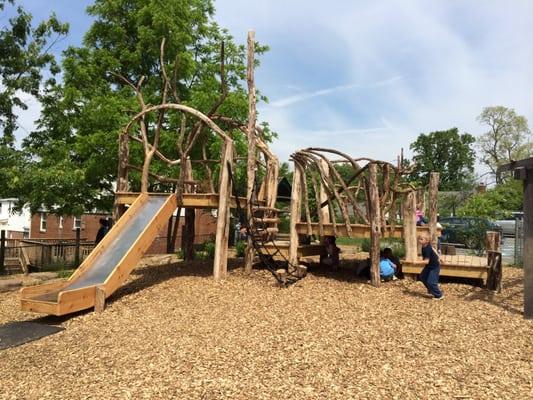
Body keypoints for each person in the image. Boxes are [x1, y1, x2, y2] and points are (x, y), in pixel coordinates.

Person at [418, 233, 444, 300]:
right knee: (423, 277)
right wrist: (439, 257)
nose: (419, 240)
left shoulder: (427, 249)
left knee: (431, 282)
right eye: (419, 239)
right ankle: (431, 290)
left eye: (421, 239)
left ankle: (439, 295)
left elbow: (427, 261)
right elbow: (434, 249)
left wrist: (416, 262)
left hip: (434, 267)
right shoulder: (425, 245)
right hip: (428, 266)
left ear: (426, 241)